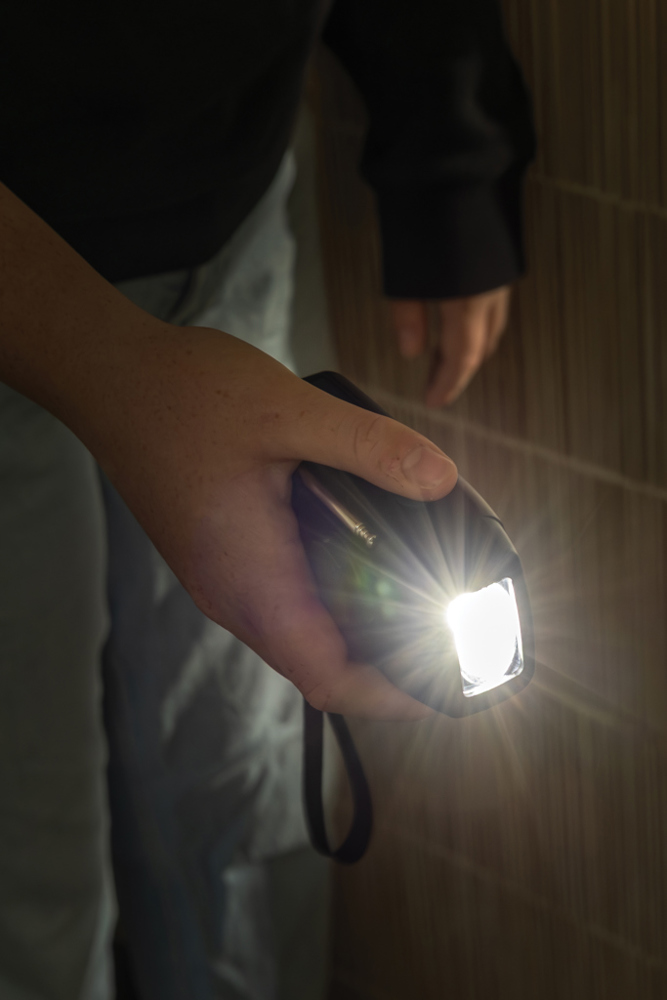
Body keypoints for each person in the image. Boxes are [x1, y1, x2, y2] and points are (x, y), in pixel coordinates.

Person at [0, 1, 535, 998]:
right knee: (25, 843)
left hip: (227, 191)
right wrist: (117, 373)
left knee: (236, 791)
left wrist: (450, 141)